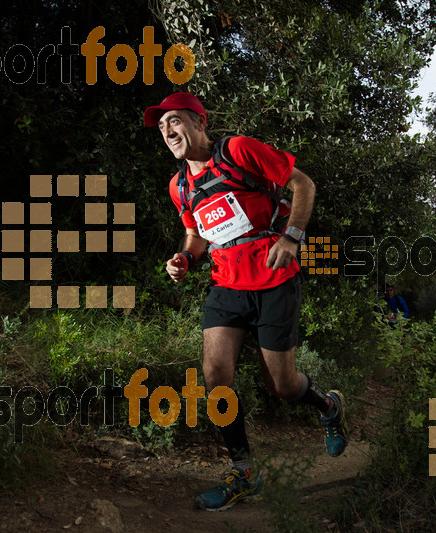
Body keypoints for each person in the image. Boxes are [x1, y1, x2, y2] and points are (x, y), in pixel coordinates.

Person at [144, 92, 348, 512]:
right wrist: (184, 258)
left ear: (199, 122)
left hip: (275, 279)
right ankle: (243, 472)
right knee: (215, 375)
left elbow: (302, 184)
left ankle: (329, 406)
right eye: (162, 127)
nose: (168, 132)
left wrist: (292, 237)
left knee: (282, 385)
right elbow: (197, 233)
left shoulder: (236, 150)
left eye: (175, 121)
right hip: (226, 285)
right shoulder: (179, 186)